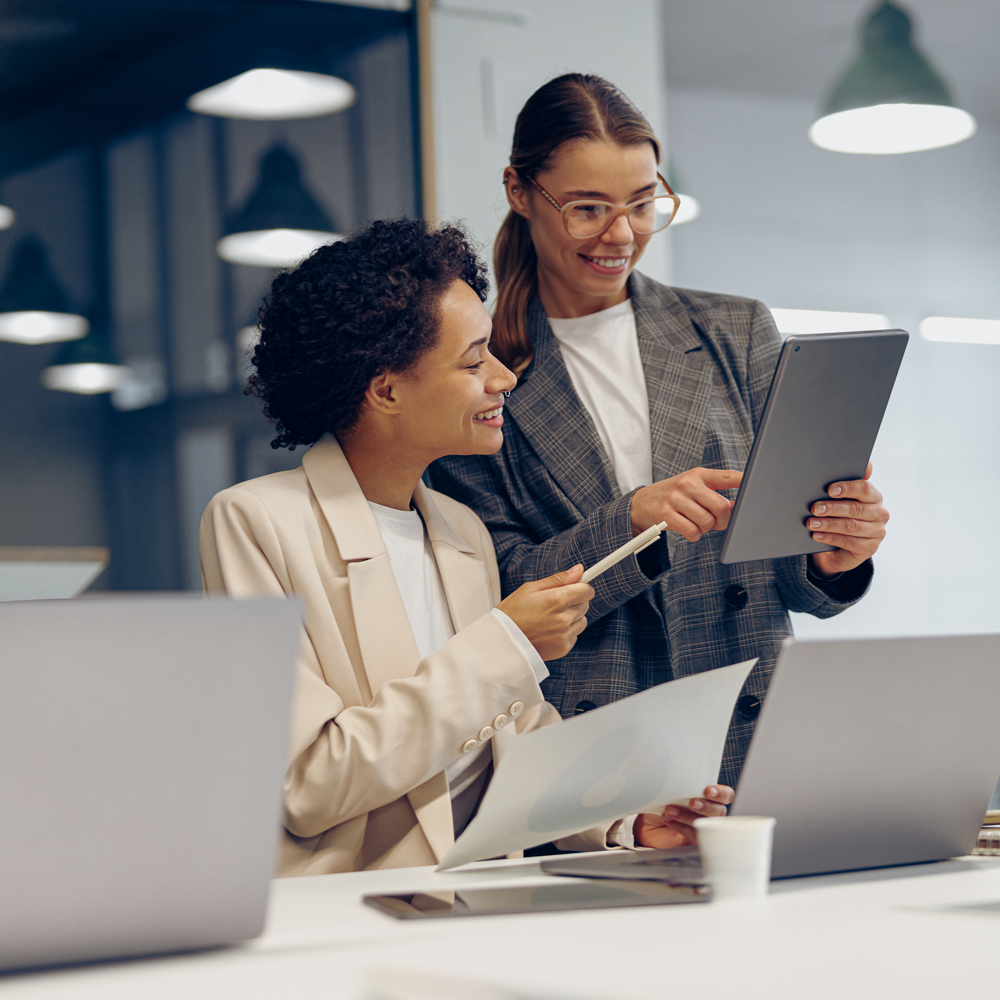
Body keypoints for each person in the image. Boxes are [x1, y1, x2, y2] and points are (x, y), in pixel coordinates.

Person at [199, 219, 731, 876]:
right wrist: (508, 642)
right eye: (474, 359)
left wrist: (626, 818)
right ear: (387, 389)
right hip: (347, 916)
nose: (505, 377)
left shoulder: (461, 531)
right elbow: (310, 787)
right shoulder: (255, 522)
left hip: (477, 899)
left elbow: (507, 743)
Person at [428, 74, 890, 790]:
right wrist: (632, 521)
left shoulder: (736, 332)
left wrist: (838, 551)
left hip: (751, 726)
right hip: (594, 754)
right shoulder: (479, 369)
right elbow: (494, 590)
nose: (622, 235)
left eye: (644, 204)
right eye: (587, 209)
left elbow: (791, 579)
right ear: (520, 192)